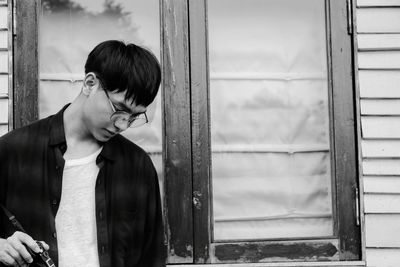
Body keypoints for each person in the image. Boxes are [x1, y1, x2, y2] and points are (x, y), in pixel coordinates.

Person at [0, 40, 165, 267]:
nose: (123, 125)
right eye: (120, 110)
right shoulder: (13, 151)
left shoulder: (138, 167)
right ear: (90, 83)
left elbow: (151, 258)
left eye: (135, 117)